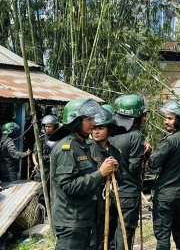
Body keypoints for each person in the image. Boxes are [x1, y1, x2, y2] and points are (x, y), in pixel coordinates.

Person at [50, 98, 118, 250]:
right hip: (71, 222)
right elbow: (68, 186)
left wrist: (108, 169)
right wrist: (100, 173)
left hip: (85, 220)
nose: (94, 124)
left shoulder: (84, 146)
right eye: (89, 120)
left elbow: (90, 178)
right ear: (75, 120)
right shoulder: (66, 148)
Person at [148, 100, 180, 250]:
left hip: (165, 196)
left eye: (170, 118)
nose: (166, 122)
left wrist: (149, 154)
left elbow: (153, 163)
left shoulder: (170, 141)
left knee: (163, 236)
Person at [110, 94, 149, 250]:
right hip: (128, 193)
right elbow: (134, 167)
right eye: (143, 114)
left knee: (111, 233)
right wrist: (144, 155)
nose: (145, 117)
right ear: (136, 116)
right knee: (125, 234)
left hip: (111, 192)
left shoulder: (110, 134)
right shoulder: (135, 136)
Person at [88, 107, 123, 250]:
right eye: (94, 128)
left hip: (110, 202)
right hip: (92, 203)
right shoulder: (88, 148)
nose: (96, 131)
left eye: (101, 128)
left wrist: (116, 169)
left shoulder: (115, 151)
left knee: (108, 239)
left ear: (109, 130)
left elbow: (121, 179)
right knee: (93, 241)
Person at [32, 115, 59, 185]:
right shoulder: (40, 139)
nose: (47, 128)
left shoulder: (60, 138)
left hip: (57, 173)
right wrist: (54, 156)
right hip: (44, 173)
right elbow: (39, 158)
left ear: (54, 127)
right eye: (46, 126)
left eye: (49, 126)